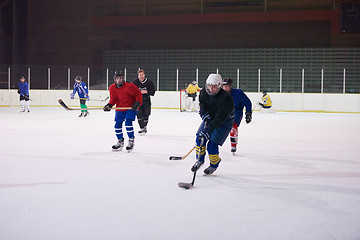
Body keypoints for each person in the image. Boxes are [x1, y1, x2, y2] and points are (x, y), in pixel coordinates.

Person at [191, 73, 234, 175]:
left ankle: (214, 165)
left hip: (224, 121)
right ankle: (200, 160)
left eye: (214, 86)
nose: (211, 88)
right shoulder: (203, 92)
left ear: (219, 86)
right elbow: (202, 103)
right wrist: (203, 114)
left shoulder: (226, 99)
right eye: (209, 86)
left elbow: (220, 118)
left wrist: (209, 129)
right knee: (199, 138)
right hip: (211, 117)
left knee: (212, 144)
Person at [104, 71, 143, 152]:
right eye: (117, 78)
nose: (119, 80)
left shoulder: (130, 86)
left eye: (121, 78)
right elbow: (114, 99)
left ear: (123, 79)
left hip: (131, 107)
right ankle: (120, 141)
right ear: (114, 79)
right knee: (117, 125)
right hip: (120, 107)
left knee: (128, 122)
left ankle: (131, 140)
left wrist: (137, 103)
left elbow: (138, 94)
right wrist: (109, 105)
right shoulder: (112, 88)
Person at [222, 78, 252, 154]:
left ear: (231, 86)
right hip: (224, 112)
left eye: (227, 86)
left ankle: (233, 144)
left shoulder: (238, 93)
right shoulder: (220, 93)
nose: (225, 88)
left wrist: (248, 113)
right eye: (223, 86)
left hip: (236, 112)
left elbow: (248, 103)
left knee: (233, 128)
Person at [132, 69, 156, 134]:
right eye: (140, 75)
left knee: (146, 115)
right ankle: (142, 128)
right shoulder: (135, 82)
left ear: (144, 75)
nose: (141, 76)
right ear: (138, 76)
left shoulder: (149, 82)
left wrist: (146, 91)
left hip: (146, 101)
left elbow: (153, 92)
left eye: (142, 74)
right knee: (139, 115)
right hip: (138, 101)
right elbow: (131, 92)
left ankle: (144, 127)